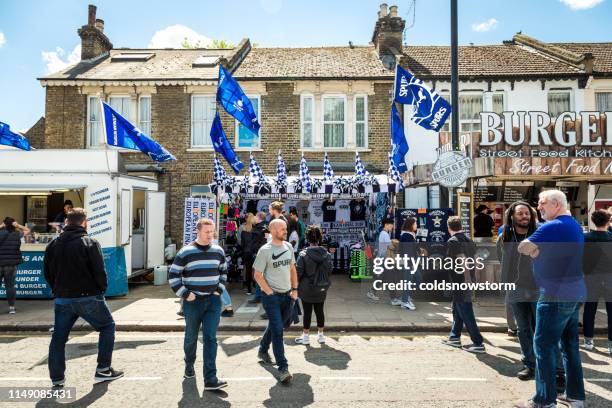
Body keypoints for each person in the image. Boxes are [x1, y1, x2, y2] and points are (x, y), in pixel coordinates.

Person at [515, 190, 586, 408]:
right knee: (569, 345)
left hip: (554, 293)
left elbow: (522, 247)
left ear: (556, 204)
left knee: (543, 346)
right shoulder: (572, 224)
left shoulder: (551, 226)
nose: (539, 208)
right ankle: (575, 397)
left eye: (542, 203)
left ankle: (544, 400)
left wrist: (536, 253)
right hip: (574, 290)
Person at [43, 208, 123, 387]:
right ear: (84, 222)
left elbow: (47, 272)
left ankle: (57, 379)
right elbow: (100, 272)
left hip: (62, 298)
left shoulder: (53, 245)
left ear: (66, 222)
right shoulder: (90, 242)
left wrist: (57, 290)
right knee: (107, 326)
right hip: (88, 297)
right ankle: (103, 369)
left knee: (58, 338)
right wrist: (101, 291)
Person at [168, 218, 228, 391]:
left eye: (212, 232)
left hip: (213, 302)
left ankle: (210, 378)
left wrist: (219, 289)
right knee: (191, 337)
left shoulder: (218, 251)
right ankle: (189, 365)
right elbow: (173, 276)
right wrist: (185, 294)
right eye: (207, 232)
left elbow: (223, 272)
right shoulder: (186, 252)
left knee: (210, 338)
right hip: (192, 303)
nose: (211, 235)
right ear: (198, 232)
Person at [254, 219, 298, 384]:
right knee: (278, 330)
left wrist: (295, 290)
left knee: (275, 325)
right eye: (282, 229)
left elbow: (293, 269)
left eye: (285, 229)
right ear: (272, 231)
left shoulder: (288, 247)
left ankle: (262, 350)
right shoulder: (264, 251)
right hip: (271, 298)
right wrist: (269, 292)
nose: (285, 231)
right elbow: (257, 275)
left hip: (287, 296)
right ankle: (283, 368)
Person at [442, 216, 486, 354]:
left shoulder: (453, 241)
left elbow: (461, 261)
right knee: (457, 309)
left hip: (460, 282)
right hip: (467, 281)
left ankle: (478, 342)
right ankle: (454, 337)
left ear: (449, 228)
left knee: (466, 311)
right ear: (461, 225)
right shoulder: (469, 240)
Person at [295, 226, 333, 345]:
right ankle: (321, 336)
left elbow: (298, 273)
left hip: (306, 289)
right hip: (321, 287)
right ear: (320, 238)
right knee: (320, 310)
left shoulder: (303, 254)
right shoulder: (327, 255)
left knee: (307, 312)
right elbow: (330, 270)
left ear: (307, 238)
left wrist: (294, 287)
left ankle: (306, 338)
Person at [582, 209, 612, 355]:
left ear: (593, 221)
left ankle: (588, 340)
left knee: (589, 309)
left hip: (591, 278)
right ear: (608, 221)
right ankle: (611, 344)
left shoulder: (585, 238)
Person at [0, 217, 29, 314]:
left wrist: (1, 225)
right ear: (13, 224)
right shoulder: (17, 234)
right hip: (11, 265)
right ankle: (11, 308)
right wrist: (18, 225)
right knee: (10, 286)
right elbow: (27, 230)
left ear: (4, 224)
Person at [369, 218, 394, 302]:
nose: (392, 227)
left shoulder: (383, 233)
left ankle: (372, 292)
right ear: (386, 224)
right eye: (391, 225)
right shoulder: (385, 234)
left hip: (382, 258)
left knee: (382, 277)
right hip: (382, 259)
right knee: (382, 277)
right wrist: (395, 244)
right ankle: (372, 292)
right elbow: (390, 246)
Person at [398, 217, 421, 311]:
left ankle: (405, 297)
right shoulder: (407, 236)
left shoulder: (410, 235)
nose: (416, 225)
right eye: (415, 224)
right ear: (411, 225)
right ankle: (405, 300)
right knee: (408, 281)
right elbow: (407, 251)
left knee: (418, 278)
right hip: (408, 262)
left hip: (410, 262)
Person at [247, 212, 268, 305]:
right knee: (260, 276)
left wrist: (257, 251)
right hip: (259, 253)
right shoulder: (264, 227)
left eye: (255, 217)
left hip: (259, 254)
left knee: (259, 275)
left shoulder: (260, 228)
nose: (254, 218)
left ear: (259, 218)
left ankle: (259, 296)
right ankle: (259, 296)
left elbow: (261, 242)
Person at [240, 213, 256, 295]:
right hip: (254, 252)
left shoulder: (243, 231)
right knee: (257, 270)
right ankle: (256, 288)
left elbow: (242, 244)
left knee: (248, 271)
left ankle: (249, 289)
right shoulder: (256, 230)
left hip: (246, 253)